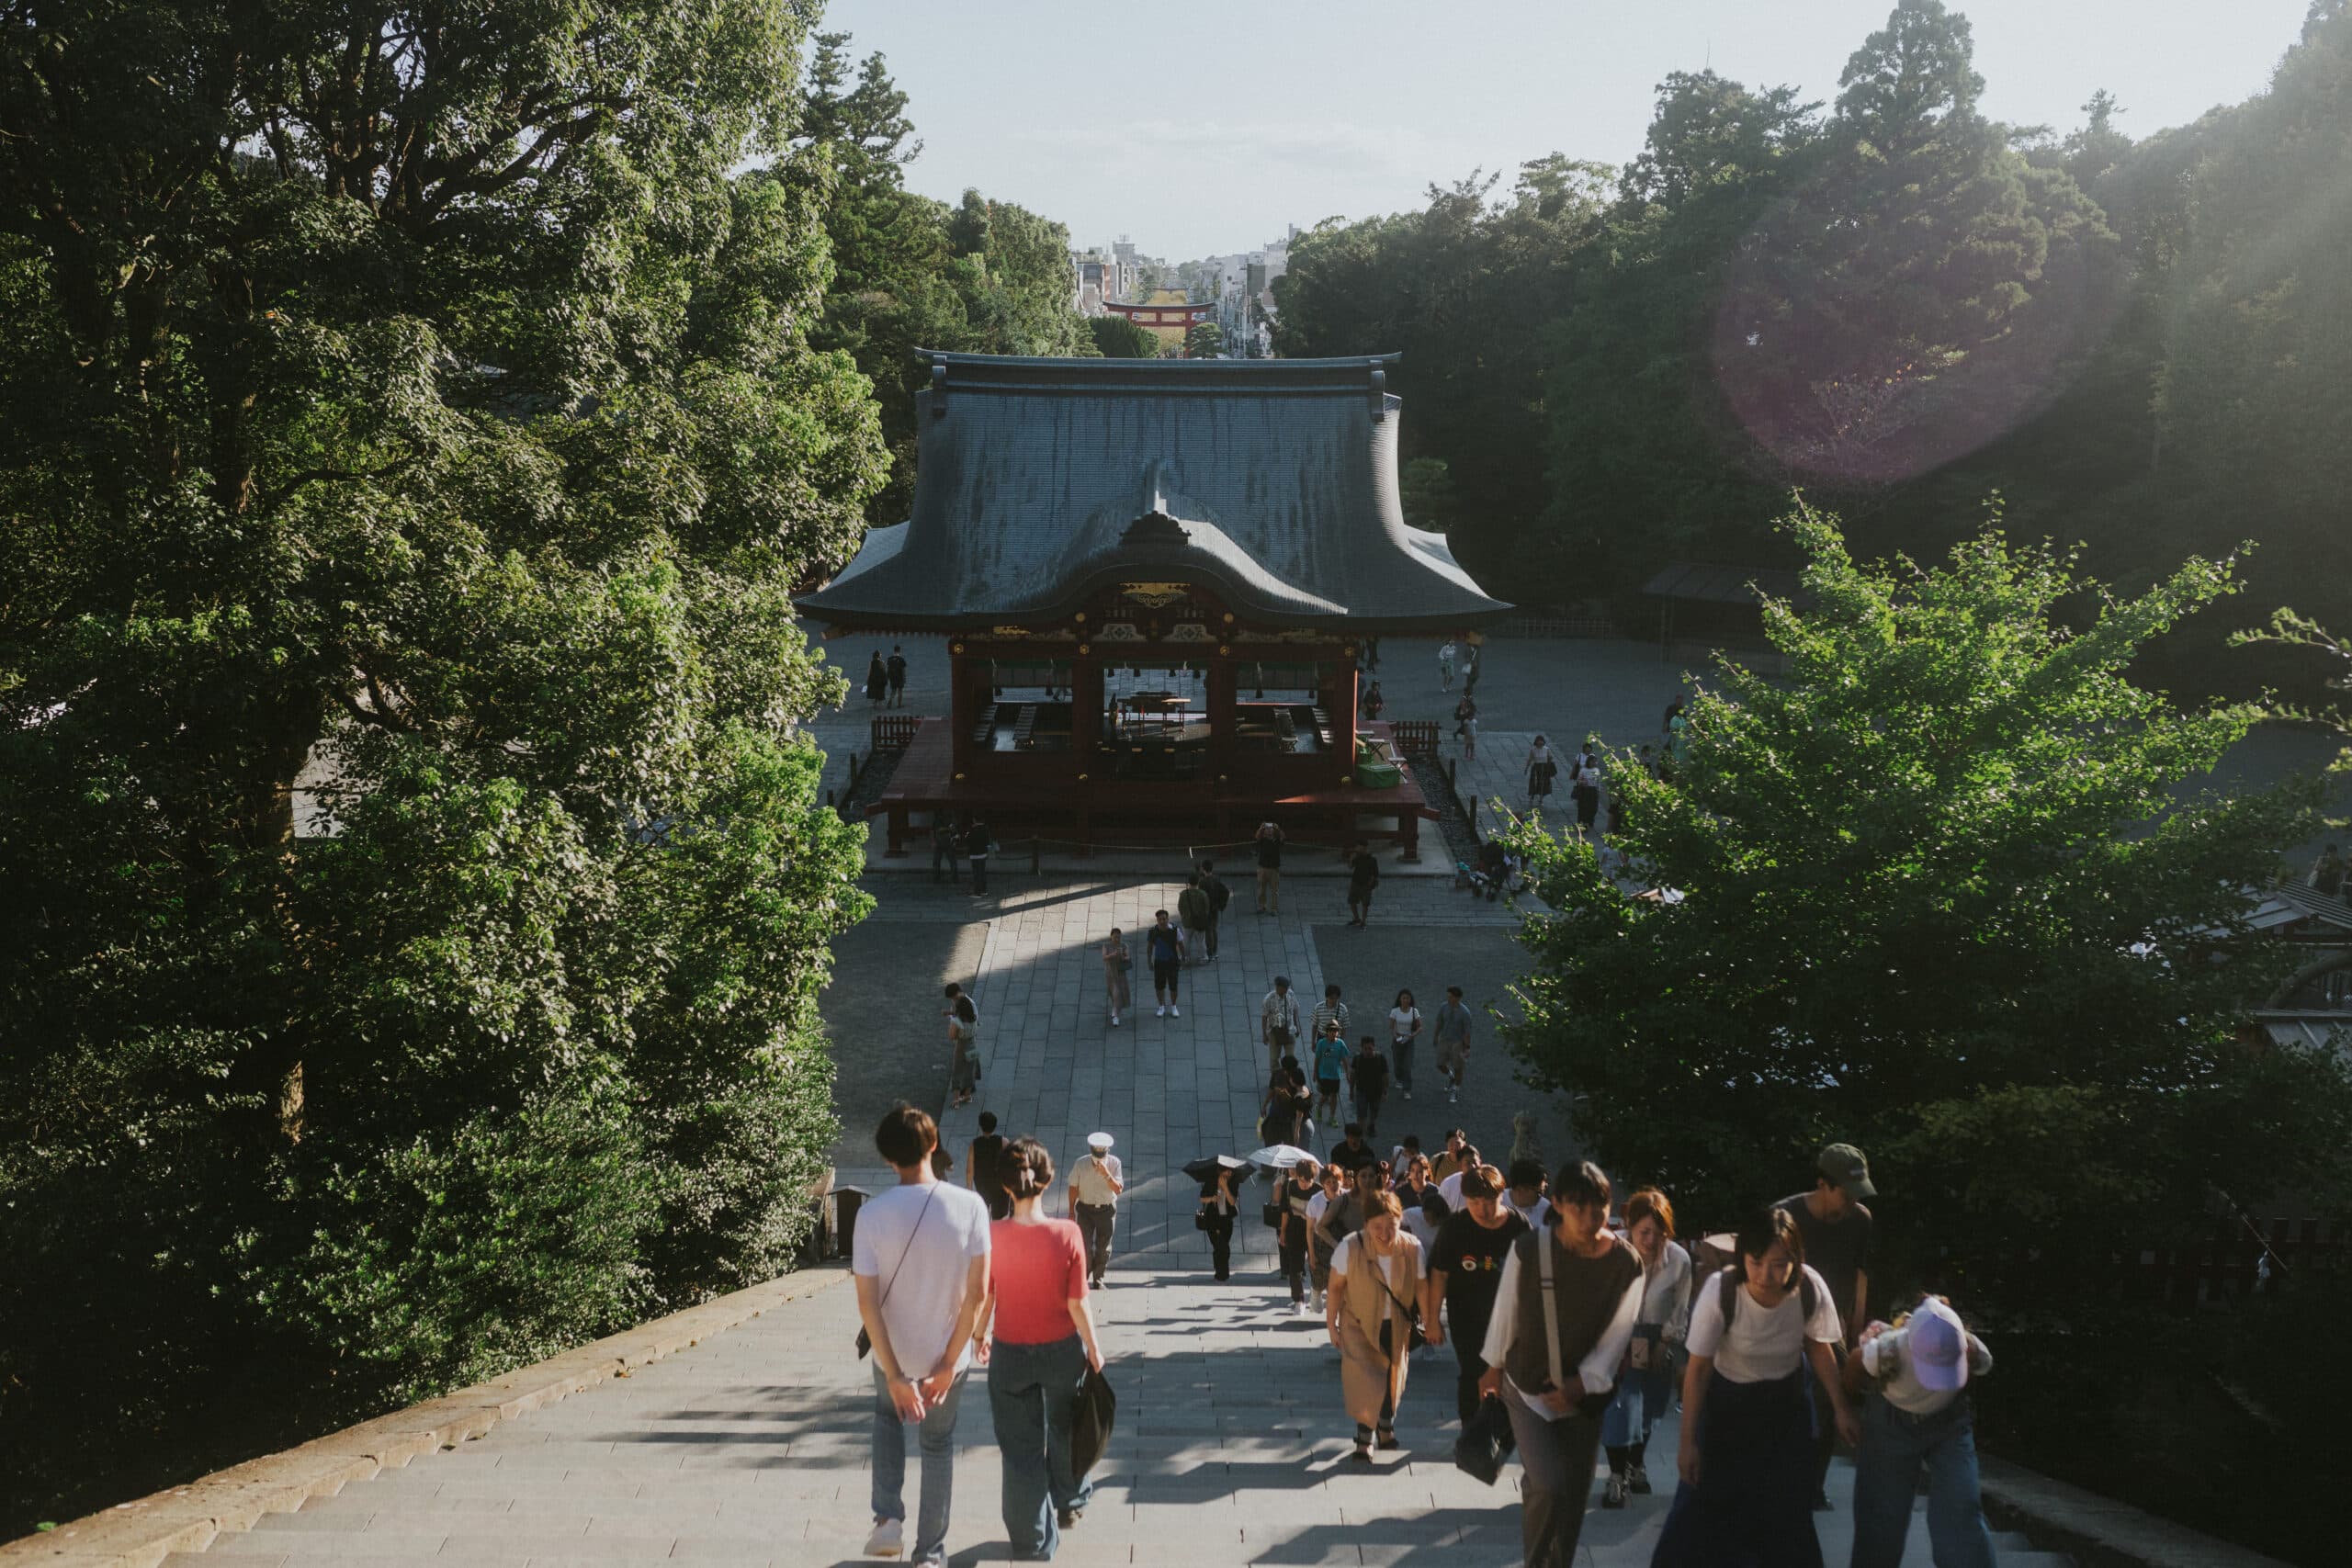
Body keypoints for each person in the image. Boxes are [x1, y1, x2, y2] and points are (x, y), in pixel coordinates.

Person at [1651, 1205, 1858, 1568]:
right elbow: (1698, 1370)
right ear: (1743, 1255)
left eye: (1780, 1263)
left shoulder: (1809, 1288)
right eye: (1757, 1261)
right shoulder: (1722, 1291)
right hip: (1727, 1407)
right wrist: (1687, 1442)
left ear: (1796, 1260)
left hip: (1787, 1407)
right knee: (1700, 1506)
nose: (1766, 1274)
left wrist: (1841, 1407)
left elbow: (1818, 1346)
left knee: (1789, 1509)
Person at [1476, 1161, 1645, 1568]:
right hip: (1526, 1383)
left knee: (1572, 1499)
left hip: (1585, 1396)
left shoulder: (1627, 1263)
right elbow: (1506, 1310)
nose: (1590, 1218)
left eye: (1599, 1207)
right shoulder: (1530, 1249)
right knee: (1550, 1485)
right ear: (1560, 1205)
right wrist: (1492, 1364)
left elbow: (1618, 1334)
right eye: (1579, 1207)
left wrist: (1582, 1384)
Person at [852, 1105, 992, 1566]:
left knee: (886, 1420)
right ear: (934, 1146)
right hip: (946, 1353)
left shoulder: (871, 1215)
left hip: (894, 1350)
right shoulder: (971, 1206)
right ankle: (930, 1554)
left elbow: (868, 1304)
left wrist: (894, 1375)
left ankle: (887, 1518)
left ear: (889, 1159)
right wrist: (950, 1362)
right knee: (937, 1446)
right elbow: (978, 1294)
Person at [978, 1137, 1105, 1558]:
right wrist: (1093, 1346)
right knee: (1066, 1428)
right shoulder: (1067, 1234)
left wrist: (979, 1335)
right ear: (1046, 1181)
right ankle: (1070, 1499)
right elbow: (1077, 1302)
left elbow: (986, 1295)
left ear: (1006, 1186)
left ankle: (1032, 1540)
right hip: (1061, 1350)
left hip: (1010, 1351)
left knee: (1019, 1452)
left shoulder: (992, 1235)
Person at [1846, 1294, 1998, 1568]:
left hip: (1949, 1425)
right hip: (1890, 1424)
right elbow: (1855, 1365)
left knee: (1960, 1507)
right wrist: (1848, 1408)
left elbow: (1983, 1366)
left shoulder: (1972, 1349)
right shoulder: (1890, 1348)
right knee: (1881, 1517)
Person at [1778, 1144, 1876, 1510]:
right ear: (1823, 1184)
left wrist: (1856, 1330)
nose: (1851, 1202)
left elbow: (1860, 1274)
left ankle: (1812, 1486)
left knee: (1831, 1404)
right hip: (1785, 1325)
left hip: (1832, 1328)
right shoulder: (1785, 1216)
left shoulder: (1860, 1220)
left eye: (1857, 1195)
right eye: (1845, 1194)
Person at [1600, 1188, 1693, 1506]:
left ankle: (1635, 1463)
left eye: (1659, 1233)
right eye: (1644, 1232)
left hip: (1657, 1337)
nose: (1651, 1241)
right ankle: (1616, 1474)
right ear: (1630, 1225)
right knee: (1619, 1406)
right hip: (1617, 1335)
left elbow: (1680, 1307)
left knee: (1650, 1408)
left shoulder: (1678, 1260)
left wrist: (1665, 1342)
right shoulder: (1612, 1250)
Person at [1425, 1163, 1531, 1425]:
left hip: (1508, 1318)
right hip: (1466, 1316)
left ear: (1501, 1195)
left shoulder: (1518, 1226)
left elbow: (1532, 1275)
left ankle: (1501, 1427)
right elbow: (1439, 1273)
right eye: (1474, 1202)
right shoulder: (1455, 1228)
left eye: (1489, 1202)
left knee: (1507, 1375)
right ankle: (1471, 1431)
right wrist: (1432, 1319)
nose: (1482, 1210)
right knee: (1472, 1371)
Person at [1328, 1190, 1426, 1459]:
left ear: (1400, 1220)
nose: (1384, 1233)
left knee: (1393, 1381)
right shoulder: (1349, 1247)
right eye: (1377, 1227)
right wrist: (1331, 1325)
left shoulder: (1412, 1248)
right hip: (1357, 1325)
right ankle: (1364, 1440)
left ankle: (1385, 1427)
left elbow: (1422, 1287)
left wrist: (1431, 1322)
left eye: (1390, 1226)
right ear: (1366, 1223)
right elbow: (1335, 1288)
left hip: (1395, 1325)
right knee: (1366, 1383)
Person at [1067, 1133, 1125, 1289]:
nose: (1098, 1158)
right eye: (1096, 1155)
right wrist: (1071, 1211)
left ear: (1108, 1151)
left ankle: (1099, 1278)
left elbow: (1118, 1190)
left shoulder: (1114, 1163)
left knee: (1103, 1246)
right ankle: (1084, 1274)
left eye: (1102, 1154)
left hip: (1106, 1209)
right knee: (1084, 1246)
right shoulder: (1081, 1163)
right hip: (1085, 1209)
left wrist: (1107, 1174)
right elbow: (1073, 1187)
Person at [1275, 1157, 1323, 1314]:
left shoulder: (1318, 1191)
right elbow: (1284, 1211)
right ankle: (1299, 1300)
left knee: (1316, 1265)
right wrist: (1282, 1231)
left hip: (1314, 1232)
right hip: (1294, 1229)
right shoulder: (1289, 1186)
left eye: (1307, 1181)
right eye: (1301, 1180)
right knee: (1294, 1267)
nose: (1304, 1184)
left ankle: (1316, 1294)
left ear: (1313, 1178)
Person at [1304, 1161, 1347, 1308]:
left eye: (1335, 1181)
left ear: (1341, 1181)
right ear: (1323, 1185)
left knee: (1338, 1281)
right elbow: (1309, 1229)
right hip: (1321, 1245)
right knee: (1320, 1277)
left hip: (1343, 1242)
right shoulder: (1315, 1201)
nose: (1333, 1185)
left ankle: (1334, 1309)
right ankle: (1316, 1292)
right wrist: (1311, 1253)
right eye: (1328, 1182)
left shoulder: (1348, 1198)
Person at [1197, 1158, 1241, 1281]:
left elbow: (1232, 1202)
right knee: (1218, 1245)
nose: (1229, 1174)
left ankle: (1221, 1271)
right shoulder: (1211, 1181)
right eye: (1227, 1172)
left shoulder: (1233, 1183)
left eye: (1231, 1172)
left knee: (1224, 1246)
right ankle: (1222, 1273)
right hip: (1212, 1219)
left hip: (1226, 1219)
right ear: (1221, 1172)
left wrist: (1225, 1187)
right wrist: (1212, 1199)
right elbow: (1202, 1198)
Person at [967, 1111, 1012, 1222]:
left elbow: (969, 1170)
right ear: (995, 1125)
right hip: (1000, 1186)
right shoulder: (1004, 1142)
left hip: (982, 1184)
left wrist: (969, 1190)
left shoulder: (975, 1144)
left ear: (981, 1126)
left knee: (982, 1215)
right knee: (999, 1217)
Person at [1432, 987, 1475, 1104]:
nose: (1448, 999)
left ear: (1458, 998)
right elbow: (1439, 1022)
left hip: (1457, 1042)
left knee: (1458, 1067)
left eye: (1451, 997)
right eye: (1448, 996)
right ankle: (1451, 1076)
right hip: (1444, 1039)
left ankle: (1455, 1090)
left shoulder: (1465, 1013)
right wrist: (1435, 1036)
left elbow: (1467, 1032)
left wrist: (1467, 1047)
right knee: (1440, 1064)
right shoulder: (1444, 1007)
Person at [1143, 909, 1184, 1019]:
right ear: (1157, 920)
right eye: (1160, 919)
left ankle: (1174, 1006)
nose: (1162, 921)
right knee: (1159, 986)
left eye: (1164, 919)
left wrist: (1183, 957)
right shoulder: (1153, 932)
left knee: (1173, 986)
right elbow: (1149, 947)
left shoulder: (1175, 930)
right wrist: (1149, 961)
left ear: (1168, 919)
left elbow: (1181, 944)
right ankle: (1161, 1006)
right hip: (1159, 962)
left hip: (1172, 961)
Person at [1348, 1033, 1390, 1138]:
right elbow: (1353, 1075)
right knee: (1361, 1113)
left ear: (1374, 1047)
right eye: (1365, 1048)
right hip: (1361, 1091)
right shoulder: (1357, 1059)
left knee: (1374, 1111)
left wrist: (1384, 1092)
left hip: (1377, 1091)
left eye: (1370, 1048)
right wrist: (1351, 1091)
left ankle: (1371, 1125)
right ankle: (1360, 1132)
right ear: (1361, 1048)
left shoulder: (1380, 1058)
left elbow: (1385, 1076)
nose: (1368, 1051)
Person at [945, 988, 980, 1111]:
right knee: (970, 1072)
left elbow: (952, 1036)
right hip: (973, 1045)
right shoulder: (974, 1017)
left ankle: (956, 1100)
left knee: (957, 1072)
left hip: (961, 1047)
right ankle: (968, 1095)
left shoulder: (956, 1021)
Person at [1387, 988, 1423, 1103]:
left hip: (1409, 1040)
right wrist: (1396, 1037)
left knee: (1407, 1065)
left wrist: (1413, 1035)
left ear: (1410, 999)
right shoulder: (1395, 1011)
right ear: (1400, 999)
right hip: (1398, 1039)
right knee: (1398, 1063)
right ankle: (1399, 1078)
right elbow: (1392, 1026)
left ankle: (1407, 1089)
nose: (1406, 1000)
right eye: (1403, 998)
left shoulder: (1414, 1011)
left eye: (1408, 998)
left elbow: (1420, 1027)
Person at [1261, 976, 1301, 1073]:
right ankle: (1276, 1078)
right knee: (1274, 1057)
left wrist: (1296, 1026)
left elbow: (1295, 1009)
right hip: (1275, 1031)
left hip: (1289, 1029)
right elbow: (1264, 1017)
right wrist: (1264, 1034)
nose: (1287, 989)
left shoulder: (1291, 994)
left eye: (1287, 987)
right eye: (1285, 987)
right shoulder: (1269, 999)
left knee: (1290, 1057)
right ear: (1278, 987)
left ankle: (1289, 1076)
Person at [1176, 874, 1216, 969]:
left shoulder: (1183, 894)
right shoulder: (1203, 894)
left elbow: (1180, 907)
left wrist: (1184, 915)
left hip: (1187, 921)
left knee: (1186, 941)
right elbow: (1207, 909)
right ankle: (1203, 957)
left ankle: (1186, 958)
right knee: (1200, 941)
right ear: (1198, 882)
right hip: (1200, 922)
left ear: (1188, 883)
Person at [1503, 1156, 1551, 1230]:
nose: (1541, 1197)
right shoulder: (1497, 1202)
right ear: (1520, 1189)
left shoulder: (1546, 1210)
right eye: (1538, 1192)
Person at [1196, 859, 1230, 955]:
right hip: (1214, 909)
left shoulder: (1202, 882)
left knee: (1208, 931)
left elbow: (1201, 897)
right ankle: (1214, 950)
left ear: (1203, 869)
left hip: (1207, 910)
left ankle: (1210, 951)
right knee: (1214, 929)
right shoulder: (1216, 879)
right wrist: (1220, 905)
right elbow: (1226, 892)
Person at [1099, 927, 1131, 1028]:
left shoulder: (1124, 945)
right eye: (1115, 937)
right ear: (1111, 936)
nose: (1117, 939)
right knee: (1113, 993)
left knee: (1119, 993)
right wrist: (1114, 954)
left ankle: (1115, 1015)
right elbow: (1104, 957)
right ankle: (1115, 1010)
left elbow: (1128, 957)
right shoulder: (1106, 945)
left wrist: (1122, 956)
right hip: (1111, 973)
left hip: (1120, 972)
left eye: (1119, 937)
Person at [1570, 739, 1603, 837]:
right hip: (1584, 790)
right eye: (1592, 762)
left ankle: (1589, 821)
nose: (1593, 763)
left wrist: (1599, 790)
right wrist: (1582, 782)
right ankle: (1583, 823)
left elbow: (1598, 781)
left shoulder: (1596, 770)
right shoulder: (1583, 770)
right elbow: (1579, 780)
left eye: (1594, 762)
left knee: (1593, 808)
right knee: (1583, 807)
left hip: (1593, 790)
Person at [1346, 841, 1380, 928]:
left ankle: (1363, 921)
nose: (1358, 850)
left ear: (1364, 849)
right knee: (1352, 900)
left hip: (1366, 883)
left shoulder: (1372, 859)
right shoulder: (1357, 857)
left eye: (1360, 848)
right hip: (1356, 881)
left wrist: (1370, 884)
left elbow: (1375, 873)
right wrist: (1351, 858)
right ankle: (1356, 918)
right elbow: (1350, 867)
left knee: (1365, 903)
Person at [1254, 821, 1284, 913]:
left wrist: (1278, 829)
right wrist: (1261, 828)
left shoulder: (1277, 840)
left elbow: (1283, 837)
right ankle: (1261, 906)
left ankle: (1274, 908)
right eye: (1267, 829)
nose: (1269, 831)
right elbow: (1257, 837)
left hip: (1274, 869)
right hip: (1262, 868)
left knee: (1274, 890)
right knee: (1261, 890)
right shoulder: (1262, 840)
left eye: (1270, 829)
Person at [965, 816, 995, 898]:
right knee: (982, 872)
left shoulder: (972, 829)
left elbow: (967, 840)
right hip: (983, 853)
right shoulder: (986, 829)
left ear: (974, 820)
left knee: (976, 873)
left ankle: (977, 892)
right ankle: (984, 890)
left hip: (974, 854)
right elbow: (988, 842)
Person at [931, 810, 962, 887]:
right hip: (941, 842)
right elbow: (936, 830)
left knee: (950, 861)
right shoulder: (938, 821)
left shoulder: (950, 821)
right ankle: (937, 878)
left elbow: (954, 831)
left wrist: (954, 840)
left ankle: (953, 878)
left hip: (947, 842)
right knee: (938, 862)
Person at [1526, 734, 1556, 813]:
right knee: (1535, 783)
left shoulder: (1546, 749)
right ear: (1536, 742)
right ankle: (1532, 797)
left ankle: (1541, 799)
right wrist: (1526, 768)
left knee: (1543, 783)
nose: (1540, 743)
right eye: (1538, 741)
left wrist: (1549, 766)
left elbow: (1550, 757)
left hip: (1544, 768)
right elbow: (1530, 759)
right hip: (1536, 767)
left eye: (1541, 741)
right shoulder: (1533, 750)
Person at [887, 645, 909, 709]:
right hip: (900, 677)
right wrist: (904, 679)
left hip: (892, 677)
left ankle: (890, 701)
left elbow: (888, 669)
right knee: (900, 691)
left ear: (894, 650)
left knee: (893, 691)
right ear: (899, 650)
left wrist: (888, 678)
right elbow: (903, 670)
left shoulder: (890, 659)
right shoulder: (901, 659)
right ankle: (899, 704)